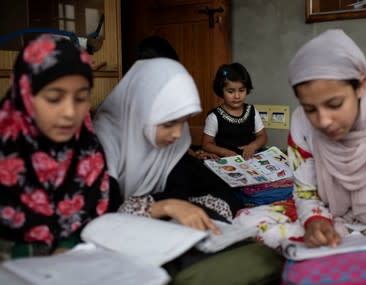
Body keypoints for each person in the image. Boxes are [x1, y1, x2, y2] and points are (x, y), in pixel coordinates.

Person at [234, 29, 366, 274]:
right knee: (246, 219)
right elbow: (305, 189)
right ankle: (350, 243)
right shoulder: (302, 122)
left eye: (335, 104)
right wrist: (315, 220)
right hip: (331, 215)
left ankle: (357, 244)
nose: (323, 120)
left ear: (361, 86)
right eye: (310, 108)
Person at [0, 34, 121, 261]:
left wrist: (69, 245)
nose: (69, 113)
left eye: (81, 98)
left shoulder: (88, 153)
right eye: (54, 98)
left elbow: (96, 217)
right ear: (24, 92)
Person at [93, 58, 247, 232]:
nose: (178, 134)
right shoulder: (104, 140)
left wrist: (172, 205)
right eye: (169, 124)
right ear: (141, 111)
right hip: (114, 223)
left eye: (184, 122)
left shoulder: (174, 142)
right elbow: (102, 216)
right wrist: (165, 207)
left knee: (225, 202)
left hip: (153, 214)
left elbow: (180, 190)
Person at [202, 63, 268, 160]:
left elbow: (262, 136)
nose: (237, 96)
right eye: (230, 91)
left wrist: (252, 146)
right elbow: (206, 144)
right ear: (221, 91)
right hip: (228, 161)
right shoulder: (214, 116)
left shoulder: (252, 111)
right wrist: (224, 152)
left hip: (250, 159)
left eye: (241, 90)